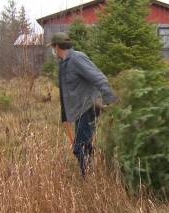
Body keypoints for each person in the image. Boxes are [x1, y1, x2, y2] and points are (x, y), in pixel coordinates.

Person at [48, 32, 118, 175]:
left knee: (80, 146)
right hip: (77, 111)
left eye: (53, 47)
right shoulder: (63, 64)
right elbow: (65, 93)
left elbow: (99, 78)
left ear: (57, 47)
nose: (53, 50)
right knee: (83, 145)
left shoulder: (77, 59)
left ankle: (88, 177)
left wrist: (111, 99)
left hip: (88, 107)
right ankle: (92, 170)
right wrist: (64, 116)